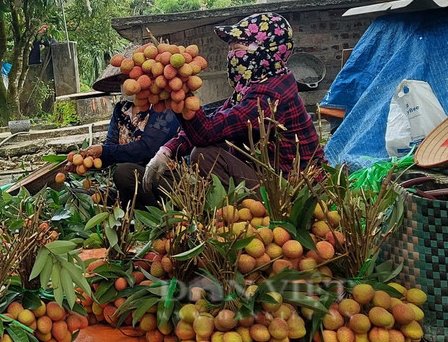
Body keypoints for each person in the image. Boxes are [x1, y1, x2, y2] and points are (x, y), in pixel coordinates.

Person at [140, 12, 324, 207]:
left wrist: (180, 93)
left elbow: (207, 132)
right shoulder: (253, 86)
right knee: (211, 148)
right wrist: (167, 150)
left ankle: (249, 214)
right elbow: (218, 121)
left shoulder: (270, 94)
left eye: (238, 48)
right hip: (270, 177)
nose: (232, 54)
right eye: (231, 48)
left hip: (295, 191)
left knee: (204, 155)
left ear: (266, 50)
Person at [73, 45, 179, 203]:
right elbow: (111, 147)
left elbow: (147, 149)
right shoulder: (120, 110)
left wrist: (104, 151)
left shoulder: (163, 108)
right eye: (121, 80)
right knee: (79, 194)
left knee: (123, 173)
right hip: (130, 185)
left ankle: (152, 212)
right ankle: (127, 206)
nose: (124, 84)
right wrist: (88, 160)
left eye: (128, 78)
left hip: (161, 179)